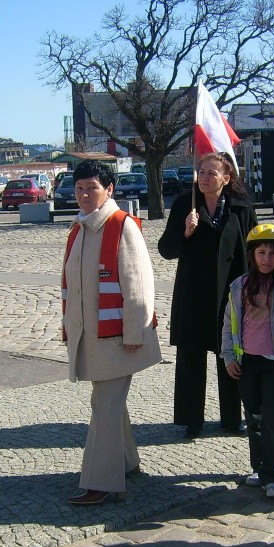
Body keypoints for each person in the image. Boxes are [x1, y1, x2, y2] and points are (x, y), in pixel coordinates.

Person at [62, 160, 161, 505]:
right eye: (79, 188)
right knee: (108, 402)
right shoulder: (80, 227)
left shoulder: (122, 226)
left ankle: (102, 482)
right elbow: (73, 289)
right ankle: (127, 461)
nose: (85, 194)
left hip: (119, 338)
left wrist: (136, 333)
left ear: (109, 190)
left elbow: (139, 285)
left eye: (92, 187)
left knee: (104, 405)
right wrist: (70, 329)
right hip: (91, 338)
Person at [158, 152, 257, 439]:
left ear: (226, 178)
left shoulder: (240, 207)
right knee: (191, 354)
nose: (204, 177)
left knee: (231, 352)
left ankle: (231, 417)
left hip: (231, 291)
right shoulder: (184, 205)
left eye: (211, 173)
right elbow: (166, 250)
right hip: (194, 292)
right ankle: (191, 419)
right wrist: (186, 233)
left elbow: (254, 249)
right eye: (201, 171)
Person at [221, 224, 274, 499]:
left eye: (272, 254)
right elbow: (228, 325)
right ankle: (258, 468)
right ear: (252, 255)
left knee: (273, 420)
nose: (266, 259)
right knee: (253, 418)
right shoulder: (239, 286)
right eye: (261, 253)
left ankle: (273, 476)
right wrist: (229, 356)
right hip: (248, 363)